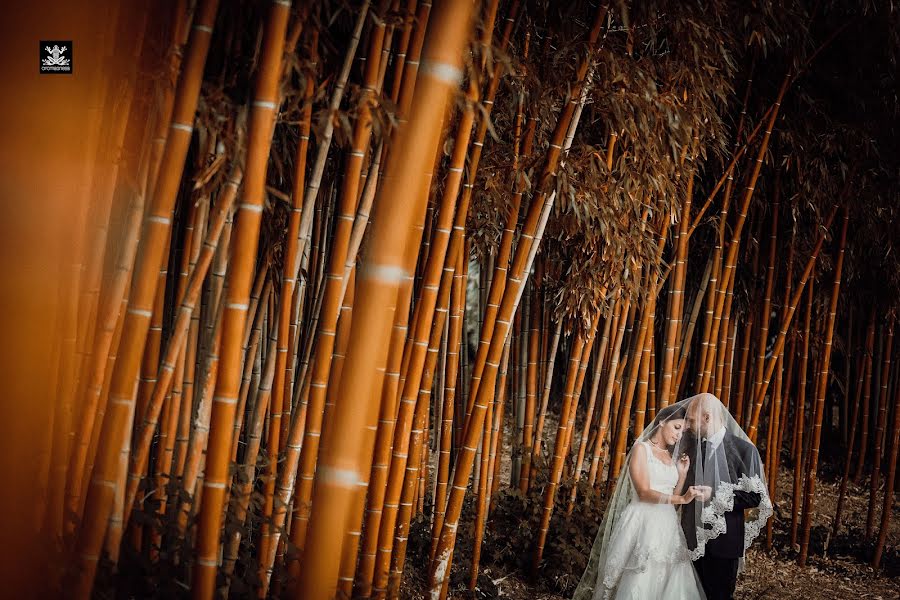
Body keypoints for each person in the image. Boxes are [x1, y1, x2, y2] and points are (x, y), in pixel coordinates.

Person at [572, 401, 708, 600]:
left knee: (669, 581)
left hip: (667, 526)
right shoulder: (641, 450)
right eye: (676, 428)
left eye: (682, 432)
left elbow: (674, 502)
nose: (678, 435)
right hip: (642, 521)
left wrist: (681, 474)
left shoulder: (671, 457)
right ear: (662, 422)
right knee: (638, 578)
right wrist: (683, 497)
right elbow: (643, 492)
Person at [680, 393, 772, 600]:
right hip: (692, 538)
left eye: (692, 420)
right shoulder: (692, 446)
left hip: (725, 541)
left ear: (707, 418)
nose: (688, 426)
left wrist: (716, 495)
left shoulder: (744, 450)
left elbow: (755, 497)